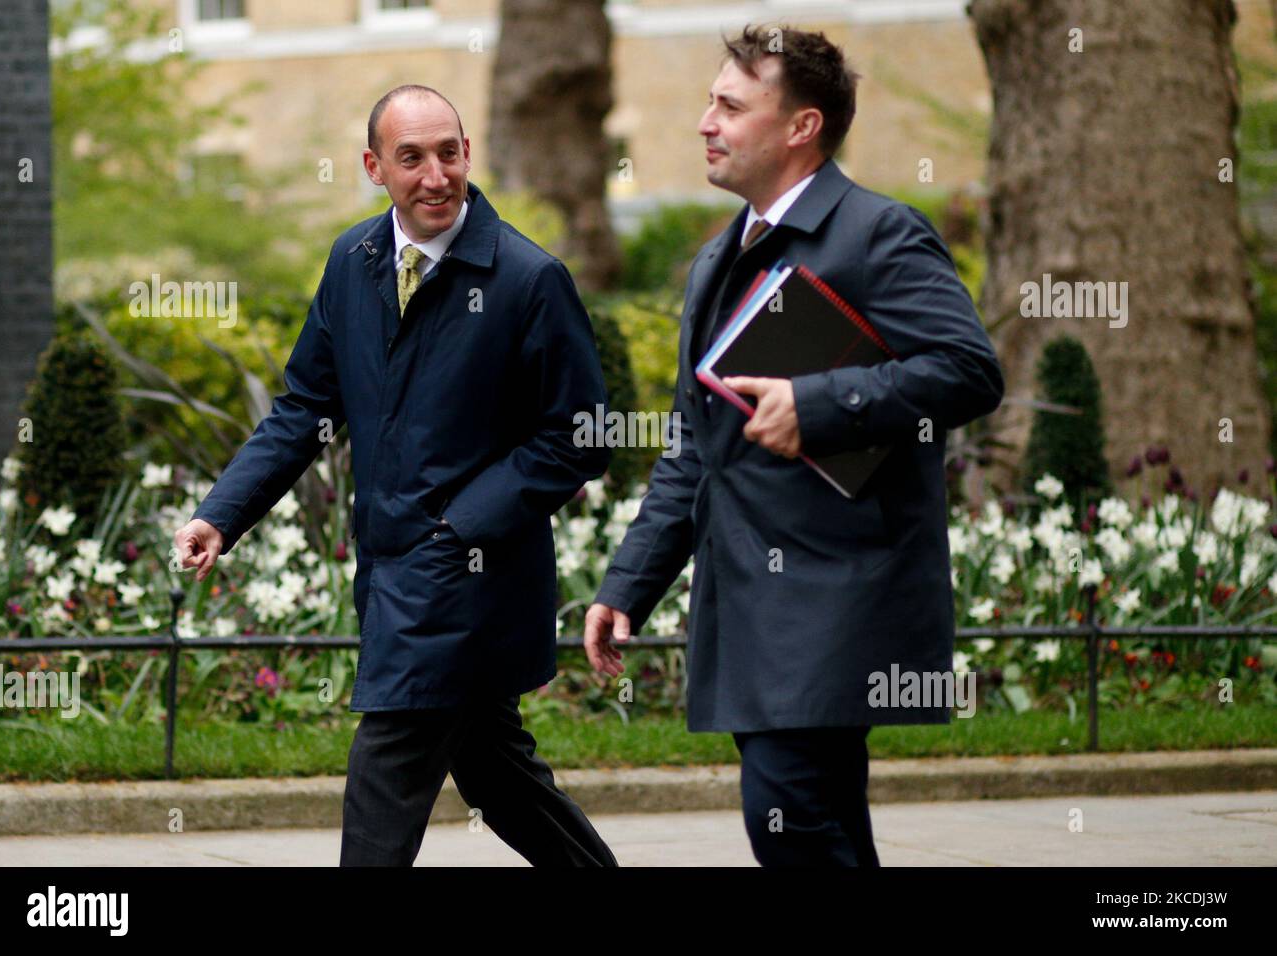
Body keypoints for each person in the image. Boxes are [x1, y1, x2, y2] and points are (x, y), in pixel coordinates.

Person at [583, 25, 1004, 867]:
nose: (706, 120)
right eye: (710, 101)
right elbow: (692, 448)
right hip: (751, 606)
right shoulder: (715, 261)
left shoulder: (880, 232)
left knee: (791, 817)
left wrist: (819, 404)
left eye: (731, 106)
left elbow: (968, 371)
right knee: (824, 819)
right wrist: (629, 583)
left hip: (839, 594)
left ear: (800, 127)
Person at [175, 85, 618, 867]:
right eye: (411, 158)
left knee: (386, 773)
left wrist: (464, 525)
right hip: (393, 572)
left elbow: (579, 438)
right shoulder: (355, 260)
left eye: (449, 153)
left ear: (469, 155)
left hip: (467, 579)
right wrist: (223, 512)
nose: (436, 175)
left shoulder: (527, 278)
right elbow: (307, 405)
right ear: (375, 166)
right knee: (495, 771)